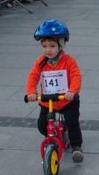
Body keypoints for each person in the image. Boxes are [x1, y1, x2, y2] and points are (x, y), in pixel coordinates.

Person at [26, 19, 84, 163]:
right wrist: (31, 92)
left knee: (72, 122)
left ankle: (76, 146)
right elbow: (33, 76)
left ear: (61, 45)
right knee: (42, 125)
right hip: (48, 100)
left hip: (66, 99)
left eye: (52, 46)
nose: (48, 50)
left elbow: (76, 76)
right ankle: (52, 136)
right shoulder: (41, 61)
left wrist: (72, 91)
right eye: (44, 46)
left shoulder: (69, 61)